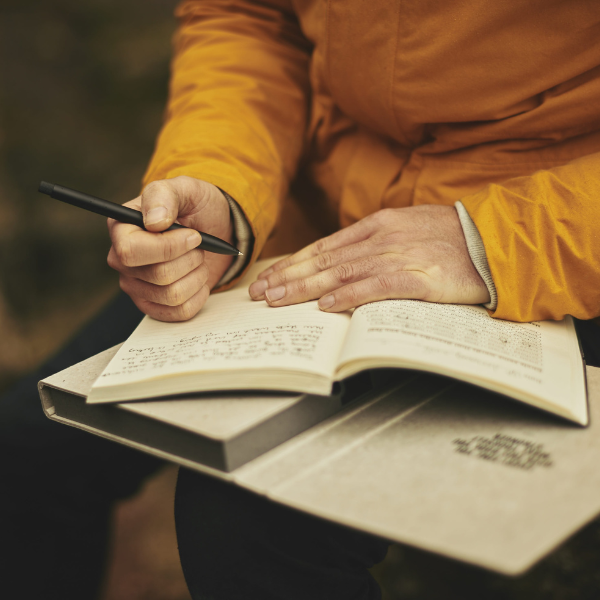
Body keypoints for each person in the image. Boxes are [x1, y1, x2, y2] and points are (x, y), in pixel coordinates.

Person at [3, 1, 600, 599]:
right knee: (28, 453)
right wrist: (221, 186)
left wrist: (496, 241)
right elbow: (246, 17)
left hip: (557, 242)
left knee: (244, 525)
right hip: (308, 224)